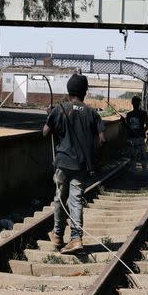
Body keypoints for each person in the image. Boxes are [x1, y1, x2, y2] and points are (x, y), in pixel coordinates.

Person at [43, 74, 106, 254]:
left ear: (69, 91)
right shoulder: (92, 113)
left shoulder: (60, 109)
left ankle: (57, 235)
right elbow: (103, 138)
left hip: (63, 163)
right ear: (85, 92)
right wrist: (95, 155)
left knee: (59, 199)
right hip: (81, 165)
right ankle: (76, 238)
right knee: (76, 200)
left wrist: (50, 117)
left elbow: (45, 133)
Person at [122, 95, 148, 174]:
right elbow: (127, 127)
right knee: (133, 156)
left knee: (142, 156)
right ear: (132, 103)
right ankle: (135, 173)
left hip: (140, 138)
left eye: (137, 102)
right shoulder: (129, 114)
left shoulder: (144, 113)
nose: (136, 104)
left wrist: (142, 132)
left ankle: (144, 172)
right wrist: (123, 122)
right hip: (132, 138)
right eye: (135, 102)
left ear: (139, 103)